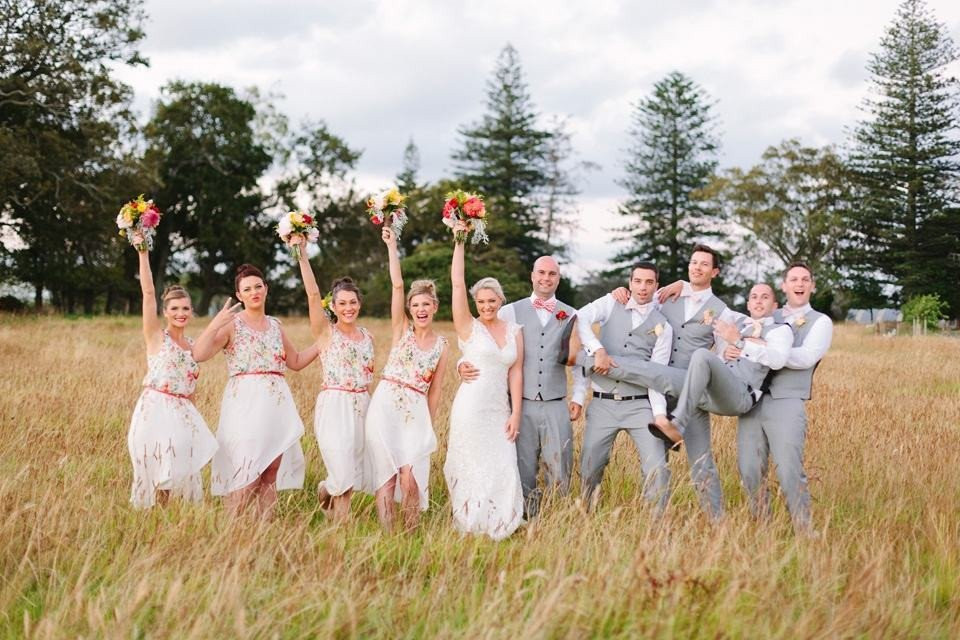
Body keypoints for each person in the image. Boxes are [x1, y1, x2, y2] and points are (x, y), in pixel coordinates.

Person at [579, 244, 737, 520]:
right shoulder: (666, 297)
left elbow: (722, 356)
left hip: (690, 394)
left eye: (704, 264)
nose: (697, 267)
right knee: (656, 460)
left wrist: (736, 348)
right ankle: (653, 518)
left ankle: (716, 521)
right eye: (693, 262)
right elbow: (640, 298)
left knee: (701, 462)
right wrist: (619, 292)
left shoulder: (721, 311)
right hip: (655, 393)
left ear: (715, 271)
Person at [458, 256, 584, 519]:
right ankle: (526, 517)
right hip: (520, 403)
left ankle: (555, 519)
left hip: (555, 400)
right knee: (523, 465)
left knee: (560, 464)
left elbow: (579, 359)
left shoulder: (571, 313)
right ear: (532, 275)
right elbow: (482, 342)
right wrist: (462, 363)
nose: (546, 278)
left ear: (558, 279)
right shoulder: (509, 311)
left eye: (552, 274)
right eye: (541, 273)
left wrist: (580, 396)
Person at [193, 264, 318, 518]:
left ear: (266, 289)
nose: (254, 292)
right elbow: (199, 354)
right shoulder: (232, 325)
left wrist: (322, 343)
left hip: (276, 403)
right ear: (239, 295)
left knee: (270, 471)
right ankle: (232, 531)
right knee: (247, 473)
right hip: (246, 404)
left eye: (258, 287)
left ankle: (264, 532)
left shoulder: (275, 325)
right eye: (247, 289)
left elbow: (294, 361)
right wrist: (215, 323)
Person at [363, 228, 450, 532]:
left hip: (416, 410)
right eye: (415, 306)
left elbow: (436, 389)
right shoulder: (401, 330)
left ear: (435, 307)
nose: (421, 309)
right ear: (410, 310)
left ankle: (411, 532)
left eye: (426, 304)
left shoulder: (442, 346)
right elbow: (398, 285)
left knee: (410, 477)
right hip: (386, 402)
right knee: (387, 476)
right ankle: (390, 537)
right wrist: (391, 245)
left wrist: (429, 423)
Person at [737, 263, 832, 535]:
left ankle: (805, 531)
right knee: (749, 468)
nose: (799, 284)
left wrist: (766, 349)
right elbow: (737, 328)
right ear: (784, 285)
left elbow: (805, 358)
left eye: (805, 279)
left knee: (789, 470)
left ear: (812, 285)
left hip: (788, 400)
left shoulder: (820, 322)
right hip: (752, 399)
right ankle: (762, 528)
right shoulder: (768, 311)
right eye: (793, 279)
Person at [444, 220, 524, 540]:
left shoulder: (515, 332)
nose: (487, 306)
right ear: (476, 304)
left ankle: (502, 523)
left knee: (502, 462)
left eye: (492, 301)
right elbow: (457, 283)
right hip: (471, 408)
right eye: (482, 302)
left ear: (501, 301)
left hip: (499, 411)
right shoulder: (468, 327)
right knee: (470, 462)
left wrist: (516, 412)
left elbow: (516, 371)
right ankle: (470, 521)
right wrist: (460, 240)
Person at [574, 262, 673, 512]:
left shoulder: (664, 326)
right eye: (638, 281)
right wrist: (597, 349)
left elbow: (656, 375)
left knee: (657, 467)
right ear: (630, 283)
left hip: (640, 405)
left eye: (649, 282)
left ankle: (657, 524)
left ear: (656, 286)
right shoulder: (610, 303)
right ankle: (585, 513)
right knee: (590, 466)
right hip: (602, 402)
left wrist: (659, 416)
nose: (643, 287)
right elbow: (580, 317)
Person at [127, 244, 218, 508]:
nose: (180, 314)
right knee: (156, 470)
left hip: (183, 413)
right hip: (154, 409)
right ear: (166, 312)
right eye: (175, 309)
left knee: (178, 471)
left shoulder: (193, 346)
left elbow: (192, 388)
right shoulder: (157, 338)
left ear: (192, 312)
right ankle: (151, 520)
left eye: (185, 309)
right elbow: (147, 293)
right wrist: (143, 252)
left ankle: (169, 520)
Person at [646, 283, 793, 445]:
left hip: (743, 394)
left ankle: (678, 423)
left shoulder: (780, 330)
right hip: (722, 388)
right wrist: (685, 285)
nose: (758, 301)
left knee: (701, 354)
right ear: (748, 305)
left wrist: (741, 344)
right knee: (659, 374)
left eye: (765, 297)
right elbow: (711, 304)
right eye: (754, 297)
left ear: (774, 306)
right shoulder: (739, 323)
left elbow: (778, 360)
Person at [295, 241, 374, 522]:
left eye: (353, 302)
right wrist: (302, 255)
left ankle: (330, 496)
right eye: (342, 303)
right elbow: (313, 294)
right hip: (334, 404)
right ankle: (342, 528)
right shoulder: (326, 333)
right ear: (335, 306)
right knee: (341, 470)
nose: (348, 307)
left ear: (359, 304)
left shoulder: (368, 337)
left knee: (351, 471)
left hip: (362, 404)